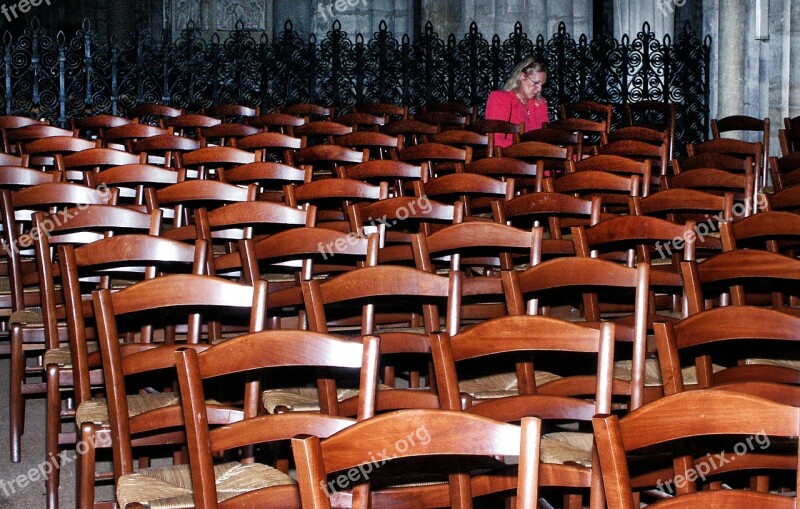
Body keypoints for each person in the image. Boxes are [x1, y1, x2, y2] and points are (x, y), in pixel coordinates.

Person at [485, 58, 549, 148]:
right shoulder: (500, 98)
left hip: (534, 157)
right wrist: (526, 149)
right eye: (536, 83)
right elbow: (495, 140)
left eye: (542, 84)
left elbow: (545, 139)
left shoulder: (540, 104)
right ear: (522, 76)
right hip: (507, 158)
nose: (539, 89)